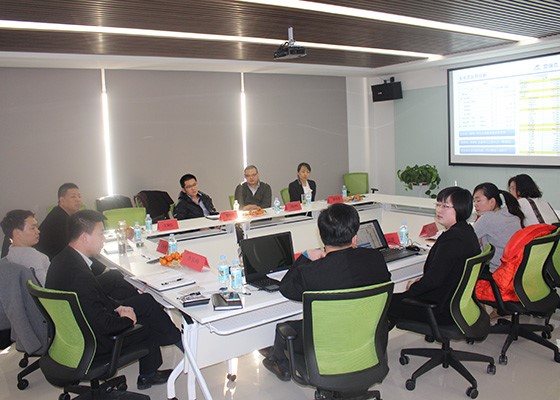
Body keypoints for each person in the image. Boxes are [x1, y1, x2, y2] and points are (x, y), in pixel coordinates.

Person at [45, 210, 182, 390]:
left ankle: (171, 346)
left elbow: (94, 298)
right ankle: (175, 347)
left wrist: (119, 306)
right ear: (85, 237)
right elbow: (105, 325)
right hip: (93, 342)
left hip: (73, 332)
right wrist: (127, 319)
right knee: (147, 320)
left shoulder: (62, 259)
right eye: (100, 233)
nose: (104, 239)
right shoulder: (79, 276)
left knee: (144, 301)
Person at [260, 203, 391, 381]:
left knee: (284, 328)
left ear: (322, 237)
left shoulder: (312, 272)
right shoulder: (376, 259)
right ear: (355, 238)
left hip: (328, 345)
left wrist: (305, 256)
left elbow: (286, 288)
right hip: (367, 340)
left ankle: (279, 362)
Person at [388, 187, 480, 326]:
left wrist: (412, 289)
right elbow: (440, 274)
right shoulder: (466, 231)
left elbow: (433, 281)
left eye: (445, 206)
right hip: (451, 302)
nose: (439, 210)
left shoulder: (453, 239)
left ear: (460, 208)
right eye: (438, 204)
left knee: (384, 303)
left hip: (438, 309)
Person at [472, 183, 524, 273]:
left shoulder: (488, 218)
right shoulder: (511, 214)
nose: (475, 205)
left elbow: (466, 241)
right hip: (516, 269)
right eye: (474, 201)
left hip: (498, 271)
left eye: (478, 200)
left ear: (492, 201)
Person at [1, 210, 50, 285]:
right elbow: (45, 285)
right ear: (17, 233)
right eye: (33, 228)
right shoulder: (32, 256)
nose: (38, 231)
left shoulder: (9, 256)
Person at [36, 182, 82, 260]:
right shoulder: (59, 219)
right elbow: (71, 249)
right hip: (51, 261)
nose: (78, 200)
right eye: (73, 197)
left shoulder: (59, 212)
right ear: (62, 200)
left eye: (79, 196)